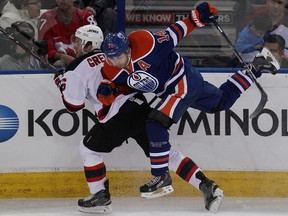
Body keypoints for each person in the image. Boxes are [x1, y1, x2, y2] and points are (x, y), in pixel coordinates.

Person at [98, 1, 278, 202]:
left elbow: (175, 32)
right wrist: (109, 89)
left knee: (155, 122)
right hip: (177, 87)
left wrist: (197, 17)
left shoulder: (146, 43)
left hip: (181, 79)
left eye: (116, 56)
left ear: (127, 49)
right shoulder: (110, 66)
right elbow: (117, 82)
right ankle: (256, 68)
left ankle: (161, 176)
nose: (112, 61)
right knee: (220, 102)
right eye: (109, 57)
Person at [54, 24, 224, 214]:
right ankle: (207, 186)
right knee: (163, 152)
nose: (74, 46)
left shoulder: (76, 68)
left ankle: (99, 196)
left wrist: (61, 84)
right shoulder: (112, 56)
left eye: (77, 42)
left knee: (88, 148)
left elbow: (73, 106)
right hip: (139, 107)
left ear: (87, 44)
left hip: (116, 117)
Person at [39, 0, 97, 67]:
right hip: (55, 67)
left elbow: (94, 45)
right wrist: (60, 56)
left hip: (84, 64)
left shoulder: (86, 17)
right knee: (58, 64)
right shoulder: (46, 18)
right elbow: (44, 49)